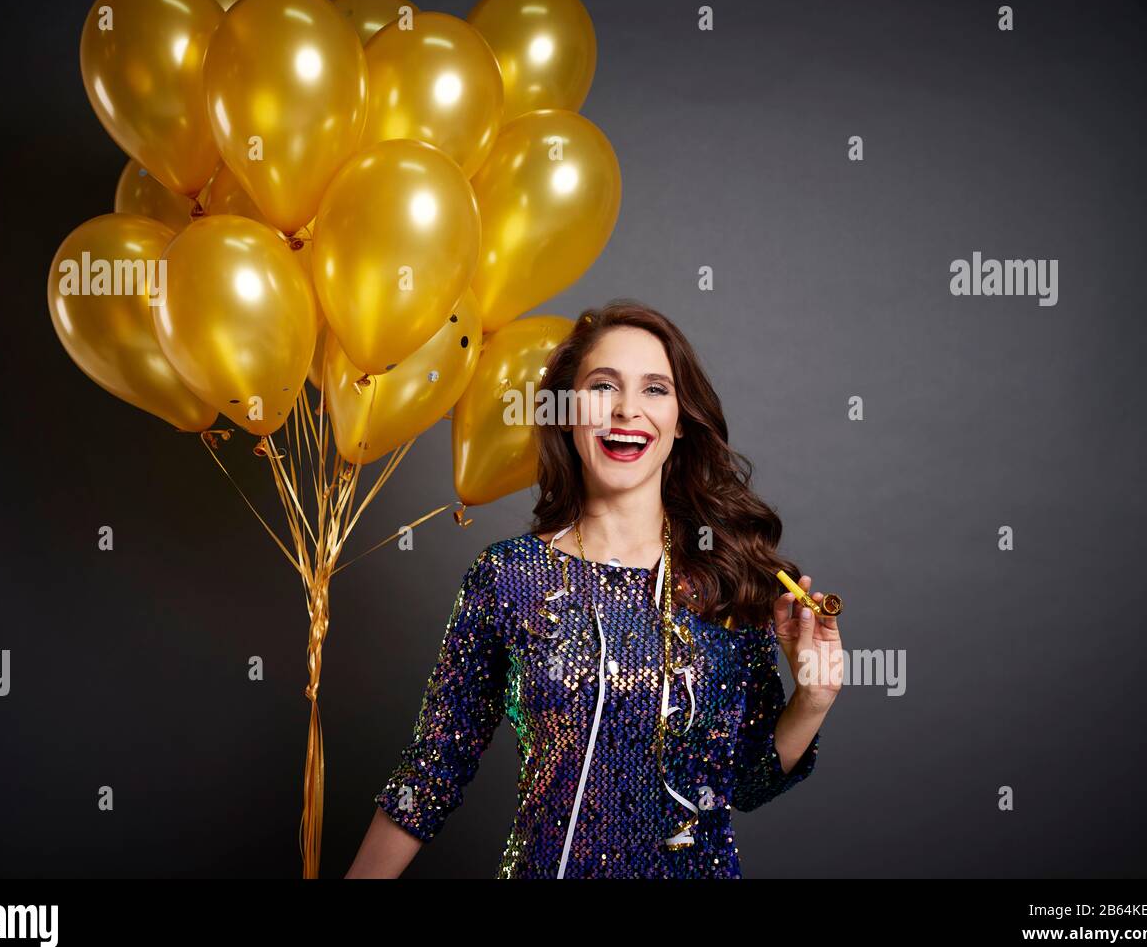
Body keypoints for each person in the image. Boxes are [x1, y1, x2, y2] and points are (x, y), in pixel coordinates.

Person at [346, 300, 843, 878]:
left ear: (681, 420)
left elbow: (746, 784)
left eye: (656, 389)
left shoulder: (725, 581)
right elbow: (431, 772)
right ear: (566, 411)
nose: (627, 410)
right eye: (603, 387)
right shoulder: (508, 578)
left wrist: (812, 699)